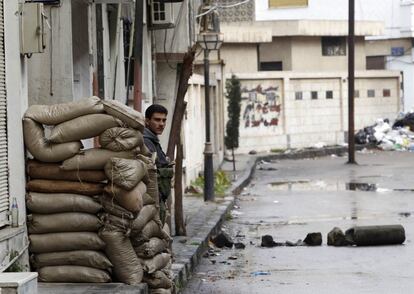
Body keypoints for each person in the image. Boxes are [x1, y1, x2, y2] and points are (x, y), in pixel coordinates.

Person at [143, 104, 174, 223]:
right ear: (147, 121)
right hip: (151, 200)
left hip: (158, 198)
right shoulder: (146, 142)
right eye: (157, 120)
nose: (161, 124)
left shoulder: (153, 141)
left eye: (164, 120)